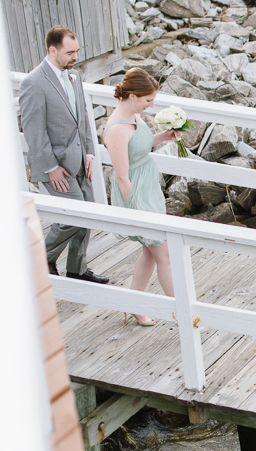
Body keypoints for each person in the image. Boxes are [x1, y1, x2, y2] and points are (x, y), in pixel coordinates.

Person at [19, 25, 108, 284]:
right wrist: (50, 168)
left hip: (80, 159)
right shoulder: (33, 83)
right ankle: (39, 258)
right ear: (52, 50)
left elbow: (82, 118)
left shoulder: (75, 76)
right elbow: (34, 132)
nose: (75, 57)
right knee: (74, 215)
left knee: (88, 211)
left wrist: (90, 152)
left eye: (77, 51)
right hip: (55, 166)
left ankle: (77, 269)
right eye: (70, 52)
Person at [104, 68, 181, 326]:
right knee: (164, 255)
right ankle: (184, 315)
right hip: (136, 193)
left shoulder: (135, 116)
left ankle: (133, 305)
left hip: (149, 188)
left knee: (150, 254)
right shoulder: (116, 129)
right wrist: (136, 210)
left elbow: (140, 145)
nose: (151, 106)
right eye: (148, 101)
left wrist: (164, 136)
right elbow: (122, 175)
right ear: (133, 96)